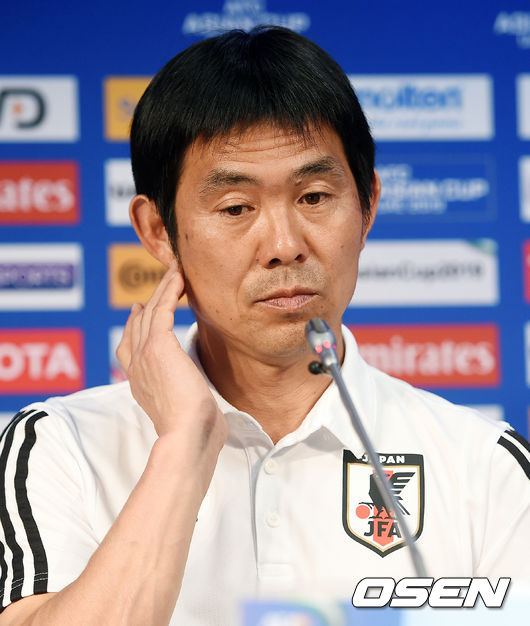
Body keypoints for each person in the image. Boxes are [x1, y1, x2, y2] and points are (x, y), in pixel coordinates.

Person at [0, 25, 529, 625]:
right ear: (159, 231)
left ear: (367, 206)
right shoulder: (63, 445)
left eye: (314, 197)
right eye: (236, 207)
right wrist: (183, 443)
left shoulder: (484, 466)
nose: (283, 246)